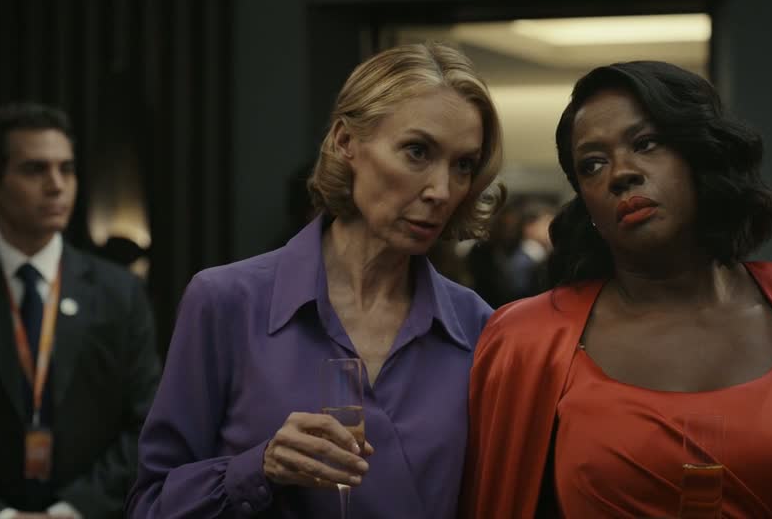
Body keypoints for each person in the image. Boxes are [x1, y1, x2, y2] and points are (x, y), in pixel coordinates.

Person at [461, 61, 772, 517]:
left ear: (700, 154)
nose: (621, 173)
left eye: (646, 143)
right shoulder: (527, 340)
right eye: (592, 164)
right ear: (586, 204)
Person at [127, 42, 503, 518]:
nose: (442, 190)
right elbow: (150, 505)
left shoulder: (480, 328)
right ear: (346, 142)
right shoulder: (227, 303)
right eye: (417, 151)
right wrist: (259, 467)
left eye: (463, 165)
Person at [0, 103, 162, 519]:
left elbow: (147, 423)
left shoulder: (120, 293)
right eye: (35, 170)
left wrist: (70, 511)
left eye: (66, 169)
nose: (56, 185)